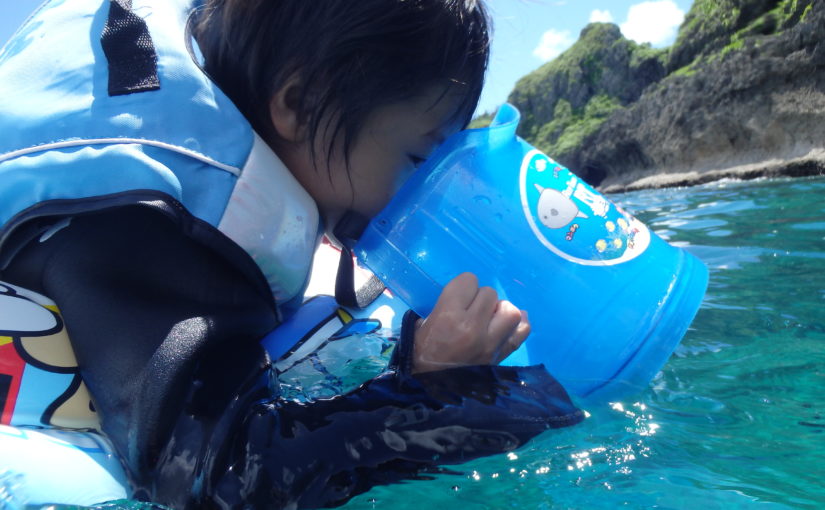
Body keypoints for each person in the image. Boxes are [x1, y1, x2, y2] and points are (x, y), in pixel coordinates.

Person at [0, 0, 583, 507]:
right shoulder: (165, 230)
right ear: (299, 105)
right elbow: (214, 479)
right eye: (415, 158)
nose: (419, 192)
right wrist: (429, 392)